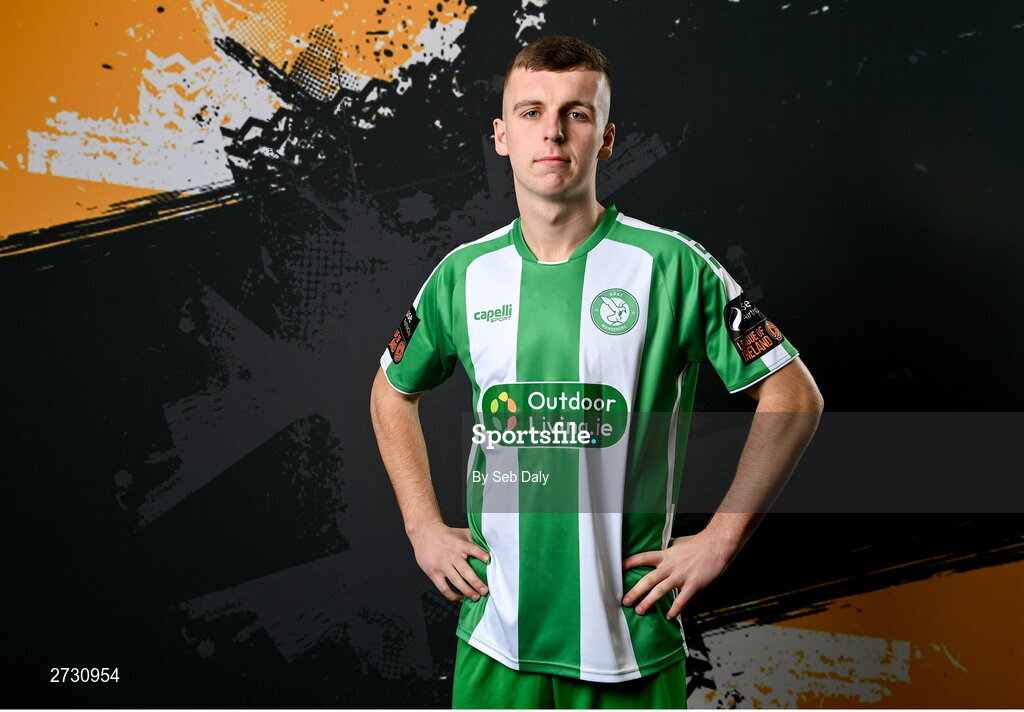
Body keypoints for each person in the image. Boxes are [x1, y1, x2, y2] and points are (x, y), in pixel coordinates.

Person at [370, 35, 823, 709]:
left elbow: (793, 393)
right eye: (530, 112)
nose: (551, 131)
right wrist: (421, 527)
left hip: (628, 640)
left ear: (606, 139)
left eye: (575, 114)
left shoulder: (672, 266)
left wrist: (721, 540)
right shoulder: (461, 276)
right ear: (501, 136)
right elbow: (390, 392)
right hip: (497, 635)